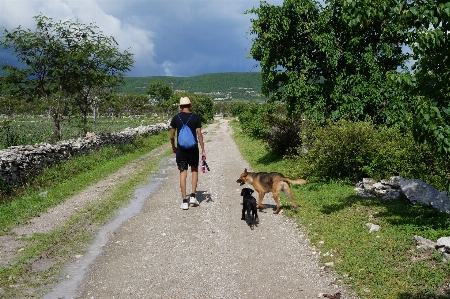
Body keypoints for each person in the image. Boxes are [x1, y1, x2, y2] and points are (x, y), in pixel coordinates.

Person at [170, 96, 206, 210]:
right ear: (190, 105)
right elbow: (199, 135)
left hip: (181, 149)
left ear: (180, 107)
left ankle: (185, 201)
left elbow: (172, 136)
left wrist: (173, 147)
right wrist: (203, 149)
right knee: (194, 170)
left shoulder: (176, 118)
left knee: (182, 173)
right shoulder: (195, 117)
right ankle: (193, 197)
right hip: (193, 148)